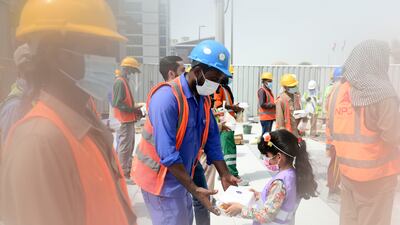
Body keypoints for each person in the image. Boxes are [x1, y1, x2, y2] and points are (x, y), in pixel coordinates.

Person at [1, 1, 137, 225]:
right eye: (101, 50)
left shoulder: (83, 121)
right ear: (60, 56)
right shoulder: (39, 142)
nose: (110, 61)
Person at [131, 40, 240, 225]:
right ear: (197, 72)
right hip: (161, 182)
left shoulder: (203, 100)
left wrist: (224, 173)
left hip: (182, 177)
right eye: (215, 78)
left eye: (220, 80)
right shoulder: (167, 98)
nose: (217, 85)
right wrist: (195, 189)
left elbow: (212, 138)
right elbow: (167, 153)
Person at [326, 40, 400, 225]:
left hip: (347, 174)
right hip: (377, 178)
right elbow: (394, 136)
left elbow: (332, 130)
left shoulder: (337, 91)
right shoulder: (382, 93)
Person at [223, 129, 318, 225]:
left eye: (267, 155)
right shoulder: (294, 173)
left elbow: (266, 216)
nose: (266, 159)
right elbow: (283, 199)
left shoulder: (280, 182)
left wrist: (240, 209)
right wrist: (261, 195)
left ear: (279, 157)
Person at [159, 55, 212, 225]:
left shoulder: (196, 96)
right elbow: (167, 150)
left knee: (202, 199)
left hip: (192, 161)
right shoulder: (166, 99)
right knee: (179, 212)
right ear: (171, 74)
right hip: (173, 168)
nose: (187, 74)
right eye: (183, 71)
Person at [213, 68, 249, 186]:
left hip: (227, 122)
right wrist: (234, 108)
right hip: (225, 123)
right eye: (230, 75)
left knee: (224, 149)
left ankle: (224, 173)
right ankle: (232, 174)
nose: (231, 77)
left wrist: (234, 107)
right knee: (229, 150)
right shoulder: (218, 87)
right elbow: (218, 105)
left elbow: (224, 104)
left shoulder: (224, 87)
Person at [112, 56, 143, 182]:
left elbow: (123, 102)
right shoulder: (120, 82)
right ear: (127, 69)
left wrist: (134, 107)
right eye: (132, 71)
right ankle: (123, 174)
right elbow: (117, 103)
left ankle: (126, 172)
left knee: (128, 147)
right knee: (125, 148)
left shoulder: (123, 81)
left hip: (127, 119)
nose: (133, 74)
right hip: (124, 120)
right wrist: (134, 109)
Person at [0, 44, 34, 149]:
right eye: (29, 65)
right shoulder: (14, 106)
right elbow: (7, 150)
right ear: (21, 68)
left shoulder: (32, 96)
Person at [324, 67, 343, 199]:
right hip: (336, 135)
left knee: (335, 162)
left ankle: (333, 186)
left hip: (334, 134)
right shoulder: (338, 92)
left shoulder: (333, 91)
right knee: (336, 163)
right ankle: (333, 188)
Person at [275, 74, 302, 138]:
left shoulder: (295, 97)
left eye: (295, 85)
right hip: (287, 133)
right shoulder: (281, 100)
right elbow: (280, 121)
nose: (295, 87)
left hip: (295, 131)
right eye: (292, 86)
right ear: (286, 87)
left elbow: (298, 112)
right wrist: (282, 135)